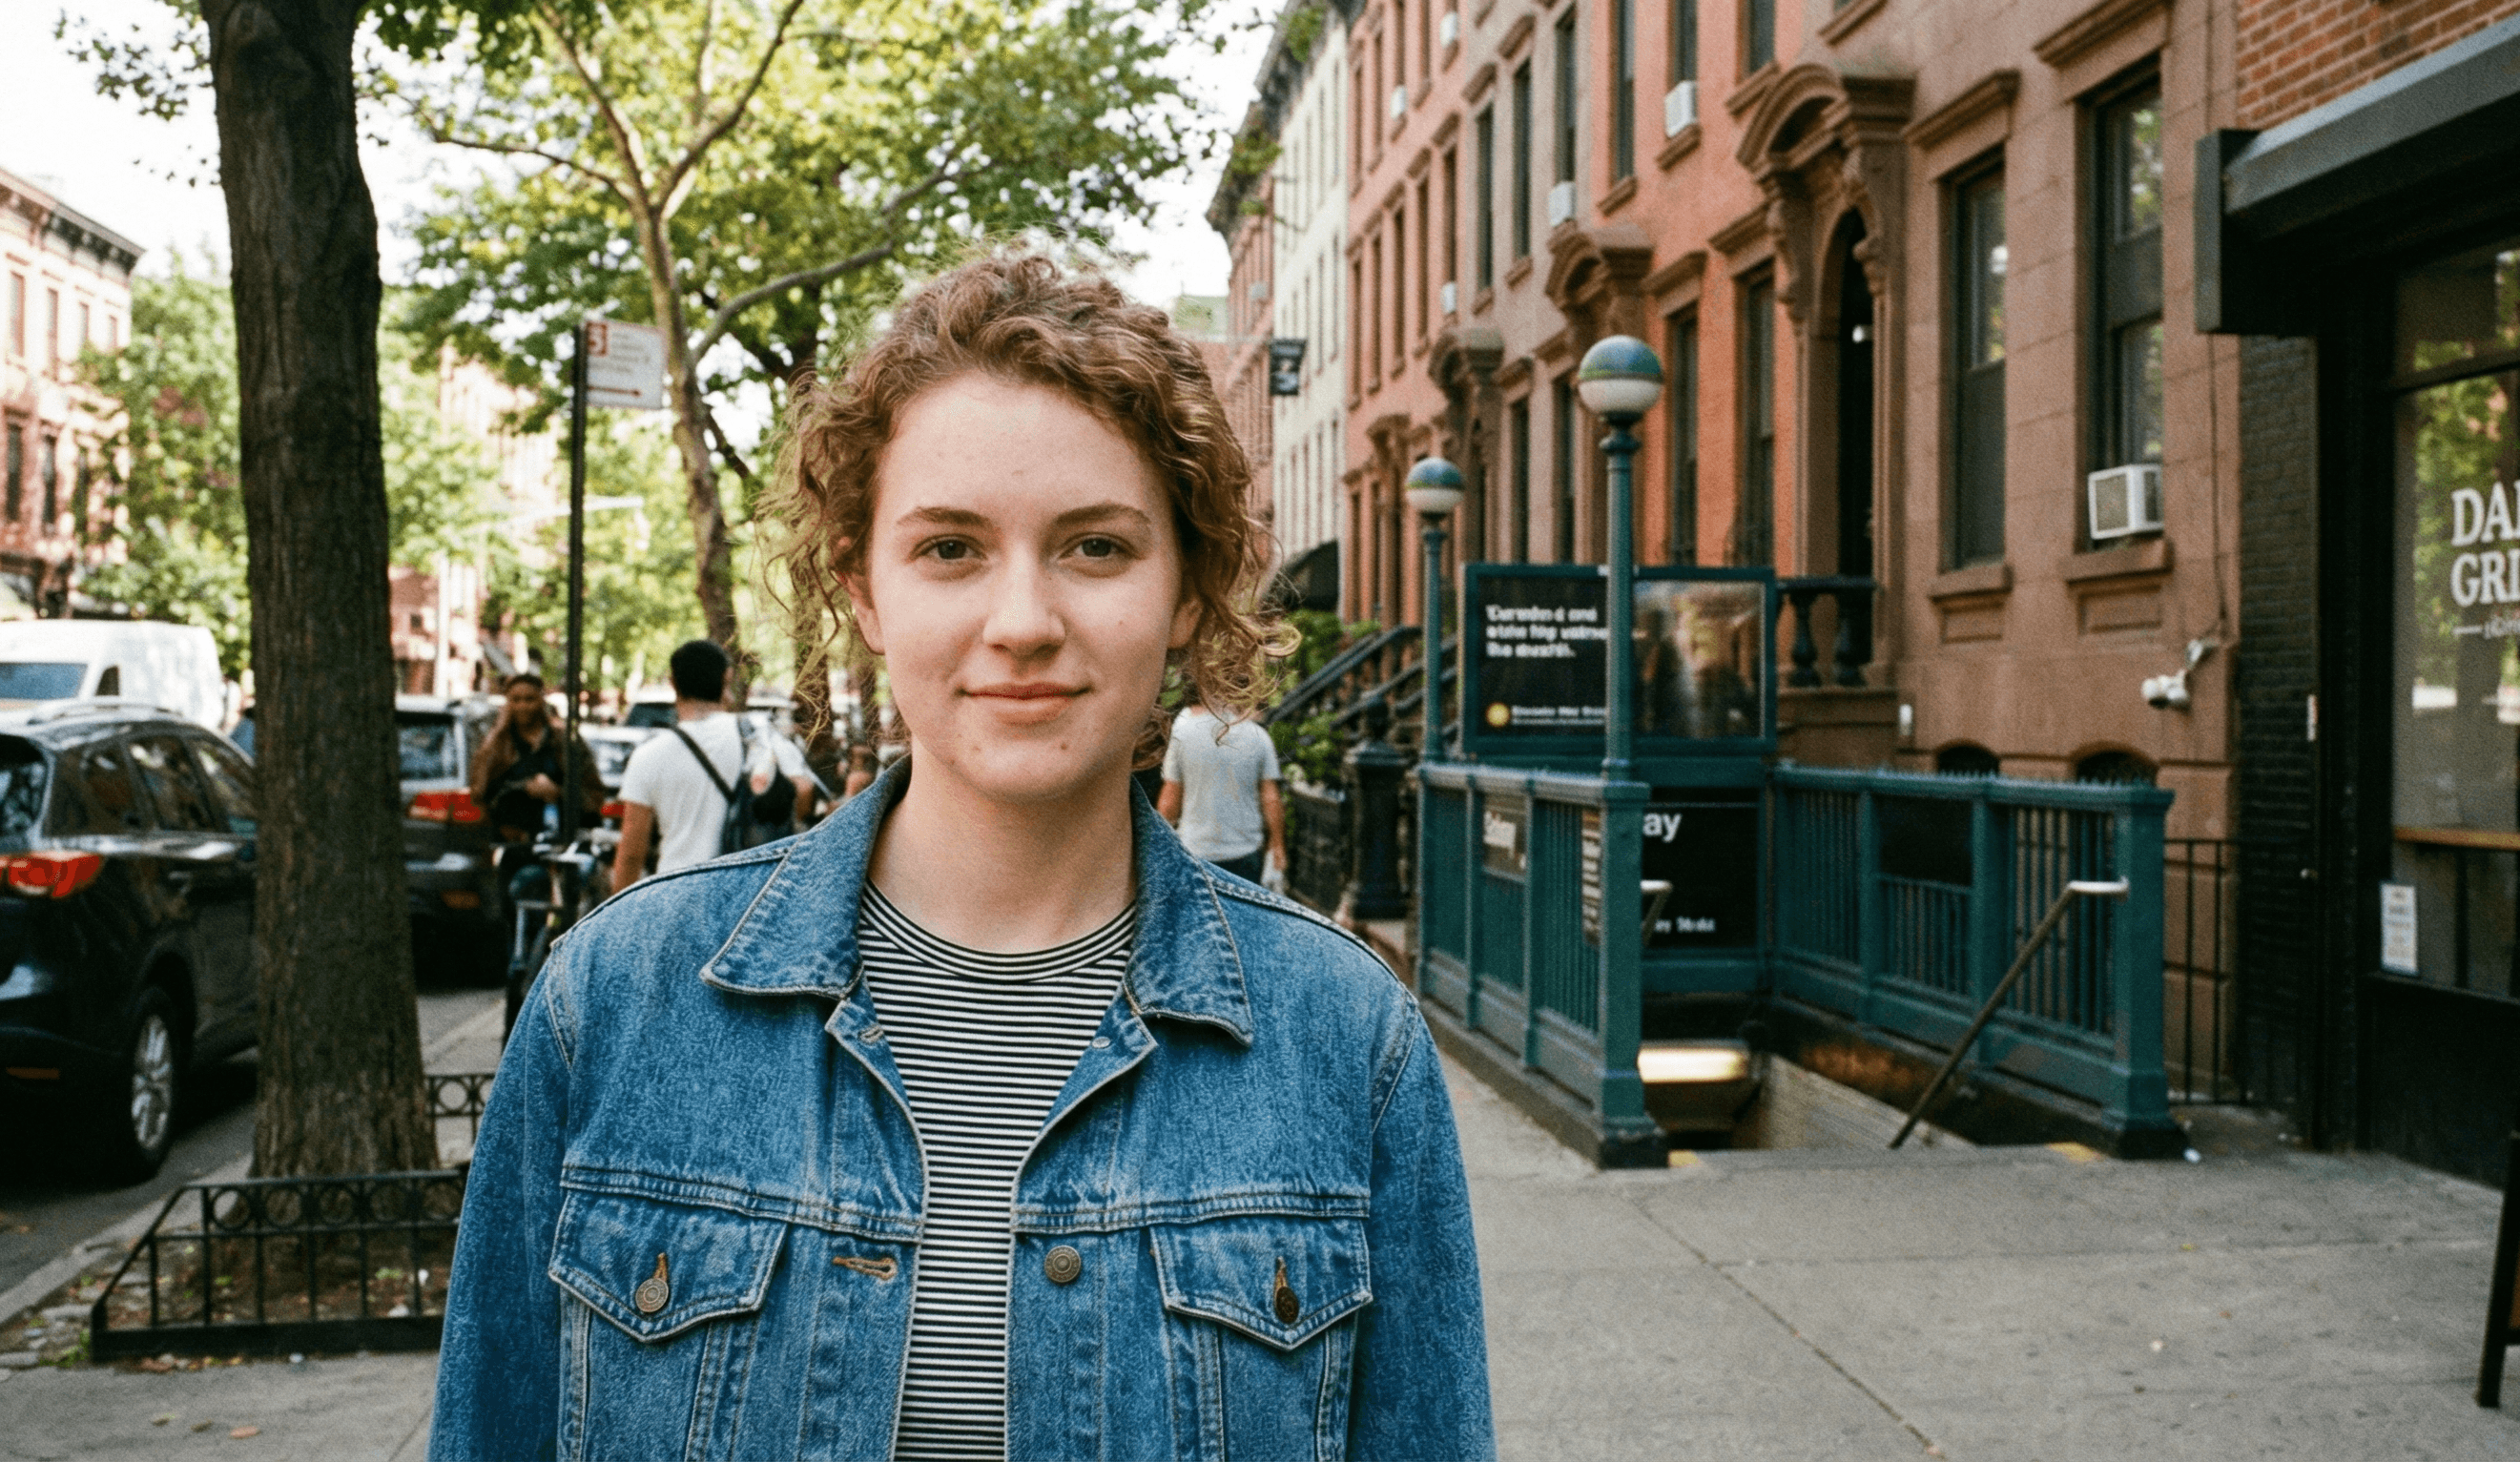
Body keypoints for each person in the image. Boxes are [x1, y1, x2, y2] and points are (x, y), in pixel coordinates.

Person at [433, 253, 1493, 1461]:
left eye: (1096, 547)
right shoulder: (614, 1002)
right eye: (949, 548)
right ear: (865, 591)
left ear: (1189, 594)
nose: (1024, 620)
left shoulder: (1345, 1041)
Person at [609, 639, 815, 889]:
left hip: (677, 892)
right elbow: (804, 791)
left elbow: (631, 855)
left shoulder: (648, 756)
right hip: (747, 893)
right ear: (726, 680)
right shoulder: (759, 736)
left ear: (674, 683)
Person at [1157, 697, 1287, 884]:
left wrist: (1159, 847)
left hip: (1196, 851)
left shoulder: (1183, 733)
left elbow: (1170, 801)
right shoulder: (1258, 736)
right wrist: (1277, 846)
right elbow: (1271, 797)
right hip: (1245, 852)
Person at [468, 671, 605, 842]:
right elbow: (480, 794)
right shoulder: (497, 744)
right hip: (511, 844)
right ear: (508, 703)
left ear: (541, 700)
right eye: (516, 700)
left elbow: (594, 793)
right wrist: (524, 787)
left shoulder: (564, 741)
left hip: (562, 840)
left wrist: (558, 792)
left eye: (529, 699)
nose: (522, 706)